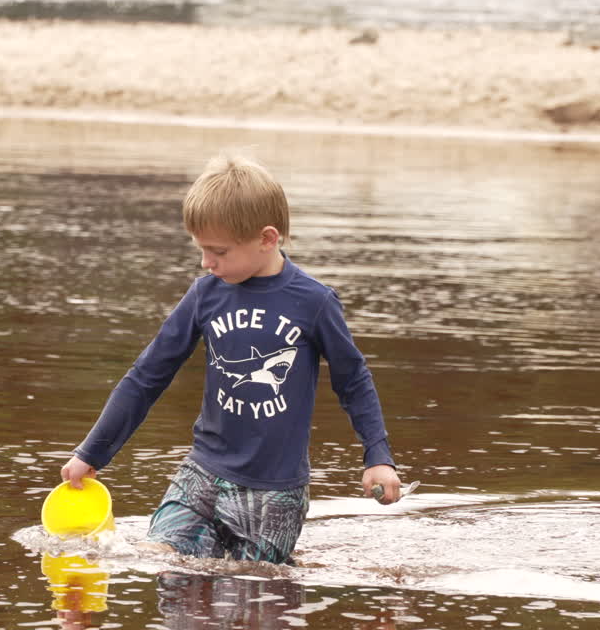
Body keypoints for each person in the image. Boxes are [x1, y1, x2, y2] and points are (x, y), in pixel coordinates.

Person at [59, 154, 402, 564]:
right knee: (164, 566)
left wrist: (378, 457)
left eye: (218, 251)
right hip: (200, 474)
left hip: (274, 493)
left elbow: (353, 381)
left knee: (250, 591)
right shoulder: (205, 295)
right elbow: (146, 377)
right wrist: (91, 453)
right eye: (201, 249)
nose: (206, 262)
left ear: (267, 238)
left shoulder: (314, 302)